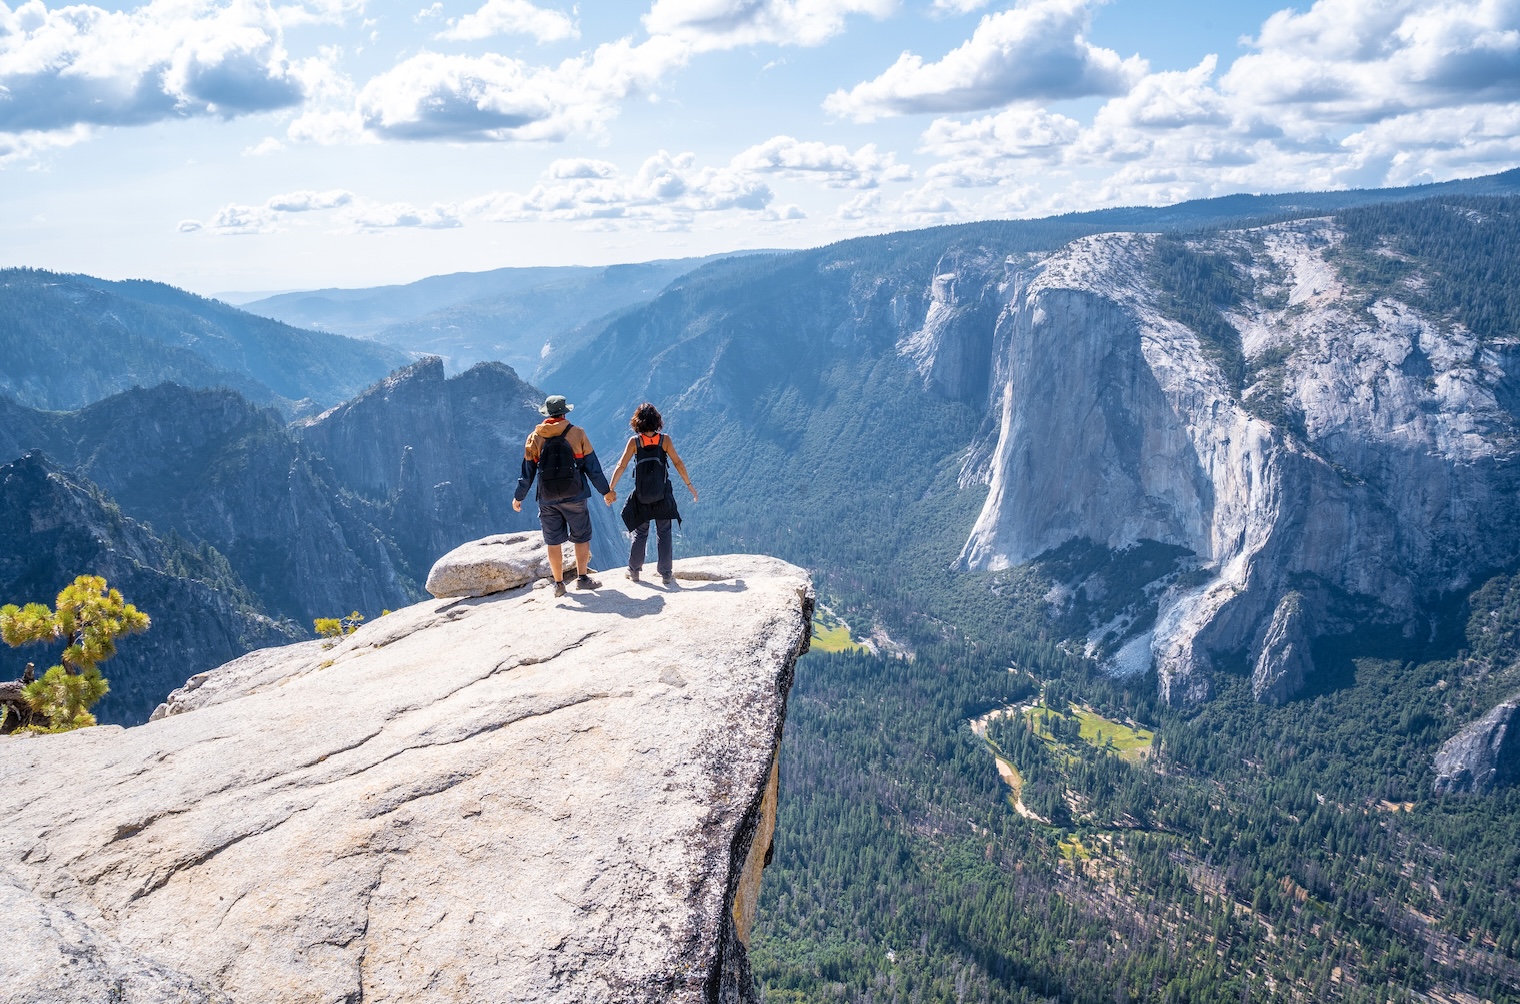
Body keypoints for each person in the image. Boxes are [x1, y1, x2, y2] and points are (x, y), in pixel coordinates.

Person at [513, 394, 616, 597]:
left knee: (553, 541)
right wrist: (606, 491)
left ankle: (559, 584)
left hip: (547, 498)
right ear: (564, 412)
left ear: (547, 414)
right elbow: (593, 468)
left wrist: (519, 497)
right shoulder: (577, 434)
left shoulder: (535, 437)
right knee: (581, 537)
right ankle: (583, 578)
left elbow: (527, 473)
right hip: (575, 495)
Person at [608, 402, 697, 587]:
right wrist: (689, 485)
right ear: (657, 421)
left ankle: (634, 571)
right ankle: (666, 574)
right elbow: (678, 463)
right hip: (662, 494)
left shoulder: (635, 442)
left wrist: (610, 489)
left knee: (640, 533)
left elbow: (621, 466)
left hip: (642, 496)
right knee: (664, 533)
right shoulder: (665, 440)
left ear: (637, 422)